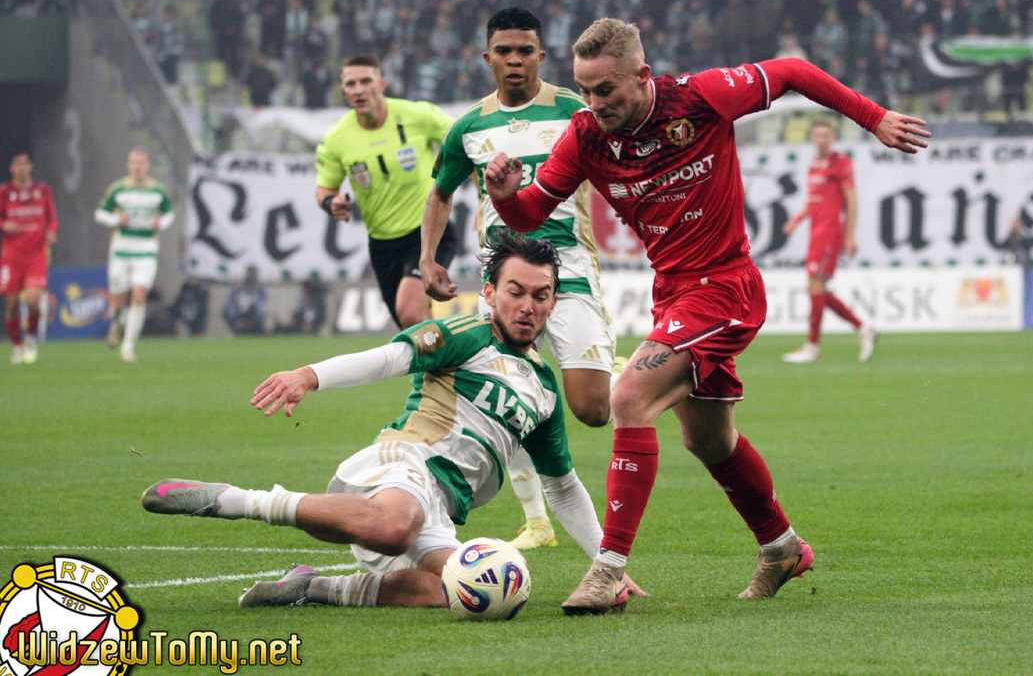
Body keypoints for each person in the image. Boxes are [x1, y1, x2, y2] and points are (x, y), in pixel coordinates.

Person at [482, 18, 930, 614]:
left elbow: (792, 71)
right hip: (672, 293)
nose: (593, 103)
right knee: (709, 439)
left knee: (628, 397)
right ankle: (782, 547)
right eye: (585, 90)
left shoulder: (701, 97)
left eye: (605, 89)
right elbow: (532, 213)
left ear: (642, 76)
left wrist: (873, 118)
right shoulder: (585, 136)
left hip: (724, 287)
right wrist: (506, 195)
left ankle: (608, 569)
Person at [141, 233, 646, 611]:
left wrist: (608, 565)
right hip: (404, 465)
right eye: (516, 291)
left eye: (540, 296)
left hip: (440, 506)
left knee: (470, 591)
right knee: (395, 525)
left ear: (554, 302)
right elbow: (389, 359)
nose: (528, 306)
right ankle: (236, 501)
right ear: (491, 292)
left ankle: (313, 587)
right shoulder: (467, 332)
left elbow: (563, 487)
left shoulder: (546, 391)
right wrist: (309, 376)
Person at [421, 8, 619, 552]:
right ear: (487, 58)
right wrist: (427, 258)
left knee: (592, 411)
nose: (515, 60)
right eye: (504, 51)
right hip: (503, 280)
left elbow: (617, 165)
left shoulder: (574, 110)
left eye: (525, 51)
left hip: (568, 270)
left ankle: (617, 368)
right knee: (505, 400)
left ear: (541, 56)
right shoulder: (469, 127)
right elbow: (441, 192)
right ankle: (537, 520)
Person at [316, 54, 458, 329]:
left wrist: (481, 192)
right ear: (343, 91)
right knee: (414, 327)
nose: (359, 90)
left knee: (410, 313)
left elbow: (463, 139)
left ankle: (449, 354)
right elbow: (324, 188)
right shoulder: (336, 139)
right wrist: (330, 202)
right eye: (351, 84)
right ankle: (448, 357)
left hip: (427, 233)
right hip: (382, 245)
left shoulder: (417, 115)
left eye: (365, 81)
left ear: (381, 84)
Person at [782, 119, 877, 364]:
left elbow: (852, 200)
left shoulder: (841, 163)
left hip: (831, 232)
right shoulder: (814, 164)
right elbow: (812, 199)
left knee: (816, 286)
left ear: (833, 137)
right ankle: (863, 328)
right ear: (812, 138)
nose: (821, 140)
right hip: (815, 232)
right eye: (817, 135)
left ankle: (813, 346)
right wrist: (795, 221)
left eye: (825, 135)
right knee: (817, 289)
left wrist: (850, 236)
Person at [94, 148, 174, 362]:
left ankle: (128, 347)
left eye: (141, 162)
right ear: (128, 165)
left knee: (139, 296)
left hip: (146, 250)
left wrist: (160, 224)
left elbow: (169, 214)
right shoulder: (118, 189)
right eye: (133, 162)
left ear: (147, 165)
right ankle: (117, 322)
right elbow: (100, 213)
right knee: (118, 301)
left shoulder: (157, 190)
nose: (137, 166)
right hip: (121, 251)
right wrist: (116, 220)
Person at [0, 152, 57, 364]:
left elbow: (52, 217)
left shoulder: (42, 190)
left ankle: (31, 339)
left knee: (33, 301)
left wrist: (51, 231)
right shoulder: (4, 192)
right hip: (11, 256)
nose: (22, 167)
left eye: (25, 163)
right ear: (11, 168)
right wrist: (4, 225)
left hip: (36, 254)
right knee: (11, 305)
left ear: (31, 167)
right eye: (18, 164)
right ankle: (17, 346)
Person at [223, 265, 267, 335]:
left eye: (252, 273)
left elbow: (263, 299)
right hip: (239, 307)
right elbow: (230, 299)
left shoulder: (259, 287)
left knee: (261, 311)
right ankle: (237, 330)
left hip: (253, 309)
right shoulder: (238, 285)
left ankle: (254, 331)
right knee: (228, 311)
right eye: (249, 273)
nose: (250, 275)